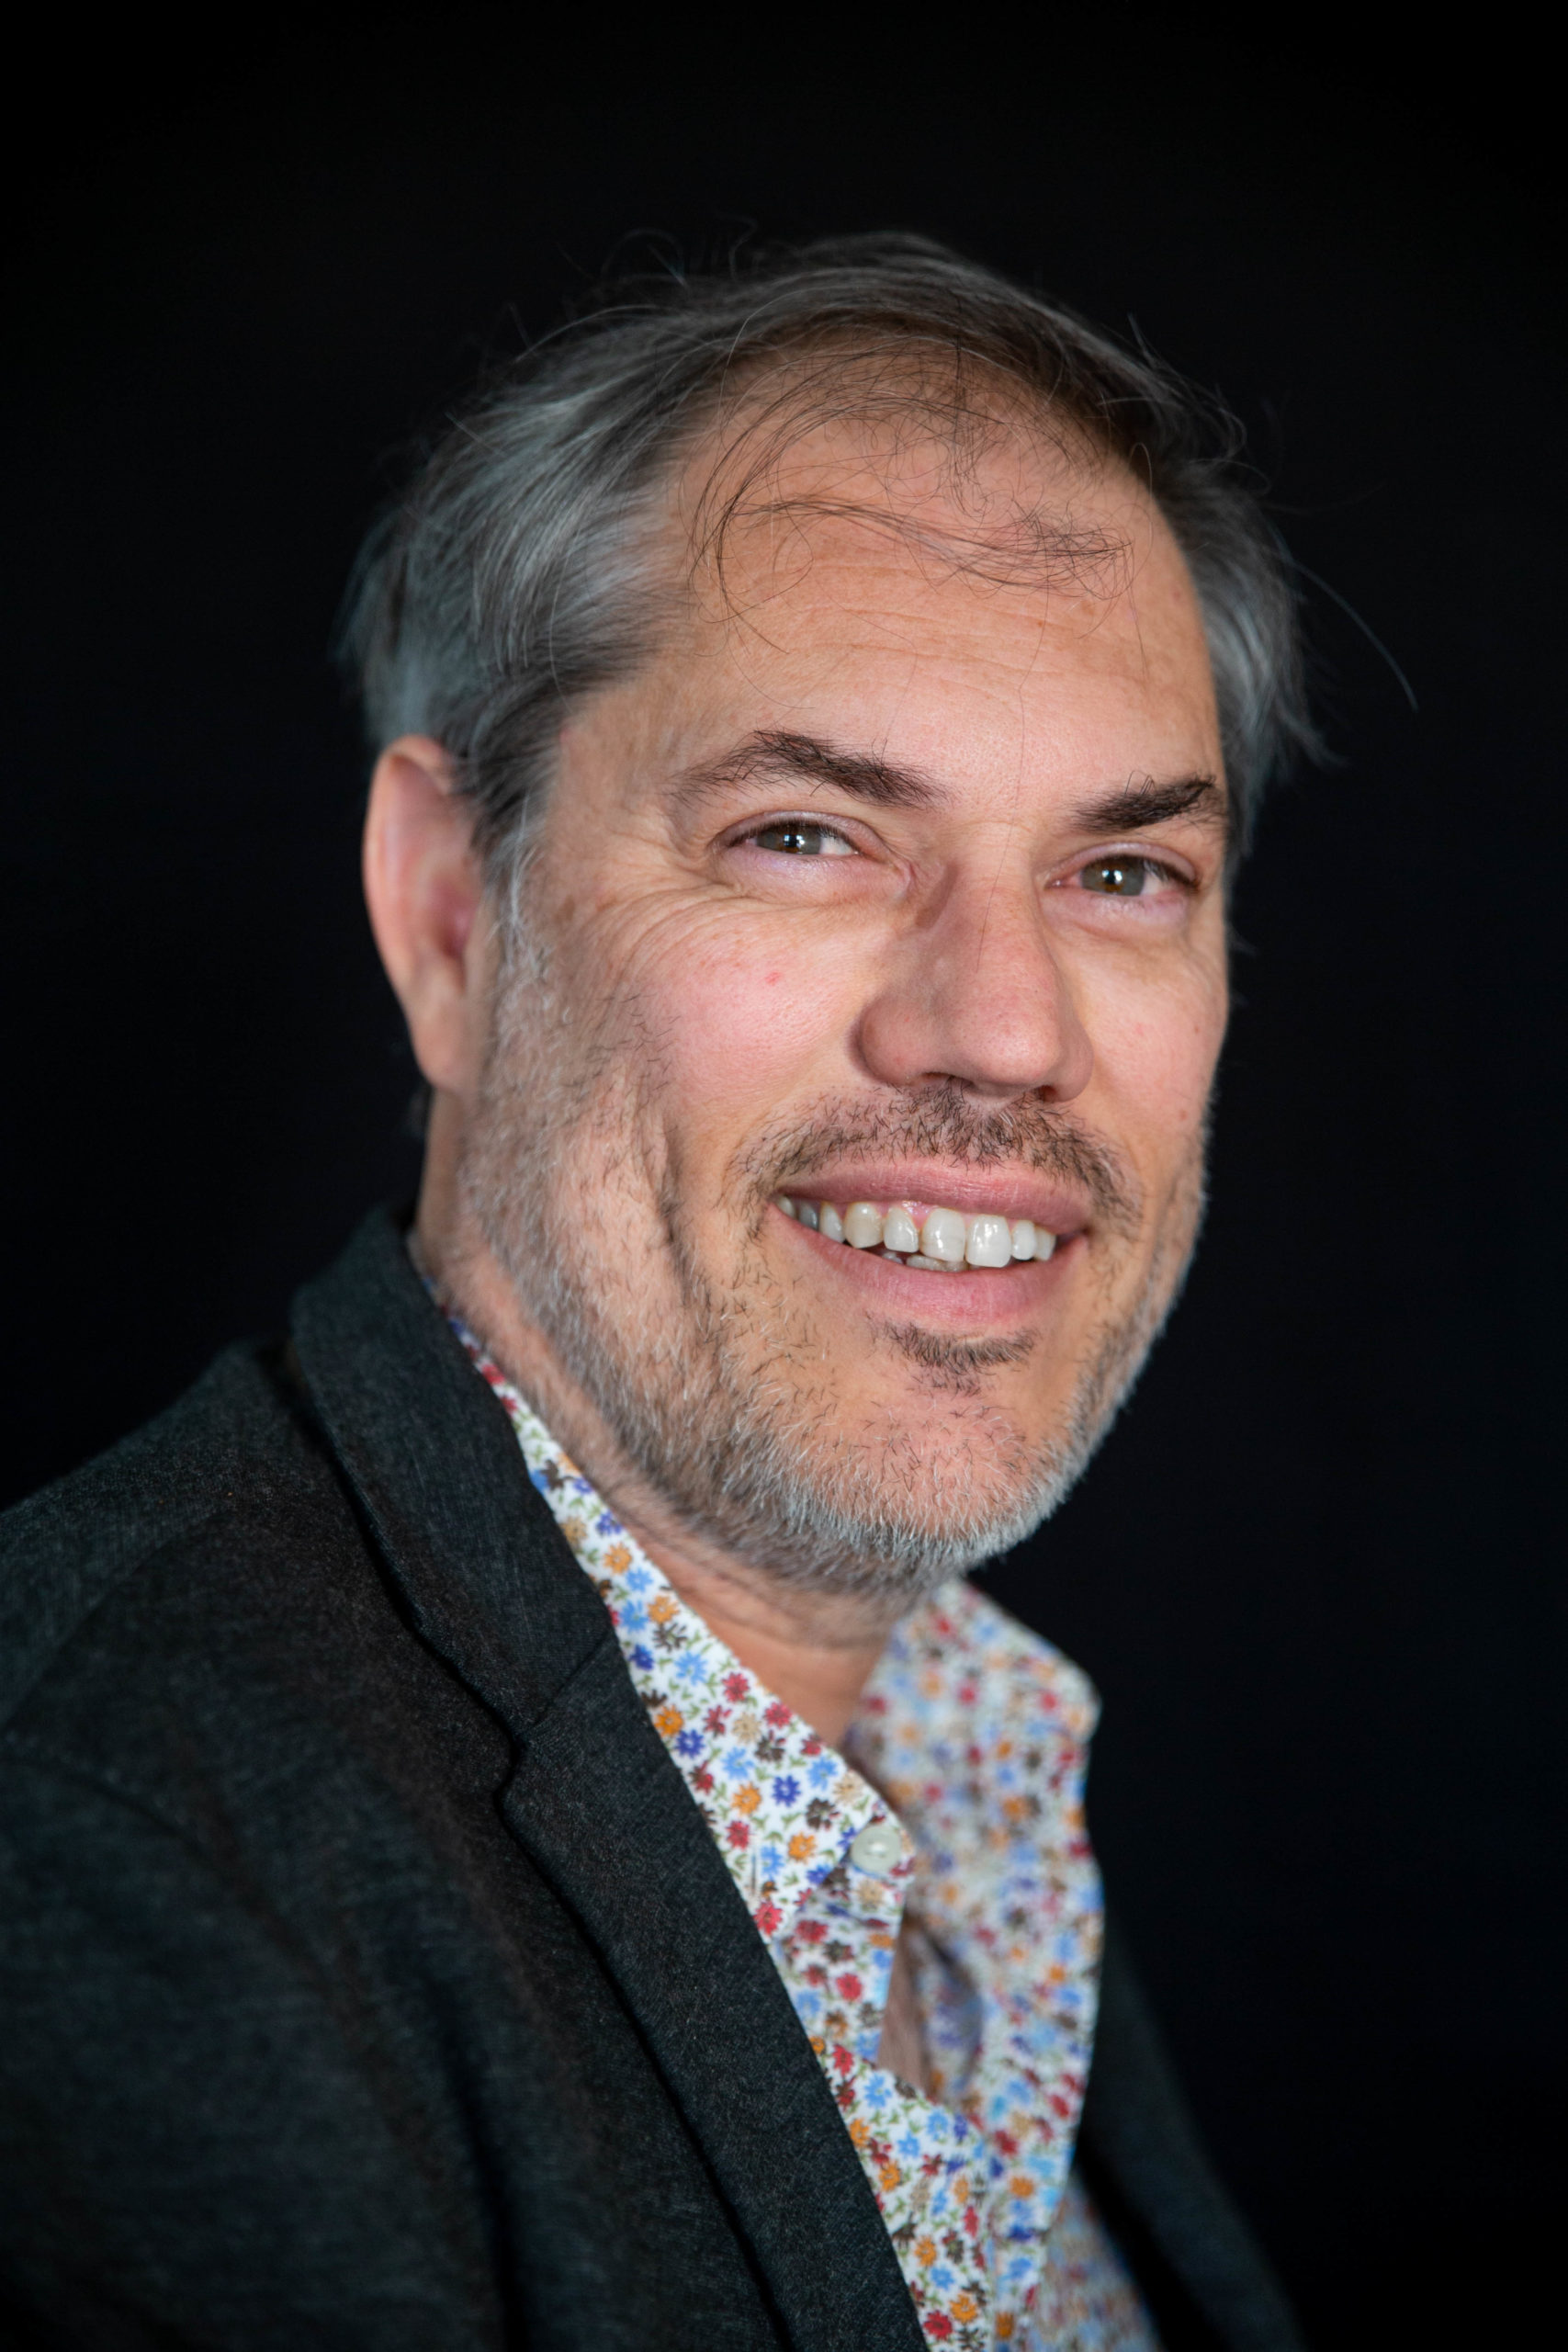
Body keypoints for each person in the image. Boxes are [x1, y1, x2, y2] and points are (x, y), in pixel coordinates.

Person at [0, 236, 1313, 2350]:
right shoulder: (101, 1860)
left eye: (1119, 871)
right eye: (804, 833)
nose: (1001, 1027)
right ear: (452, 915)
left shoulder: (959, 1773)